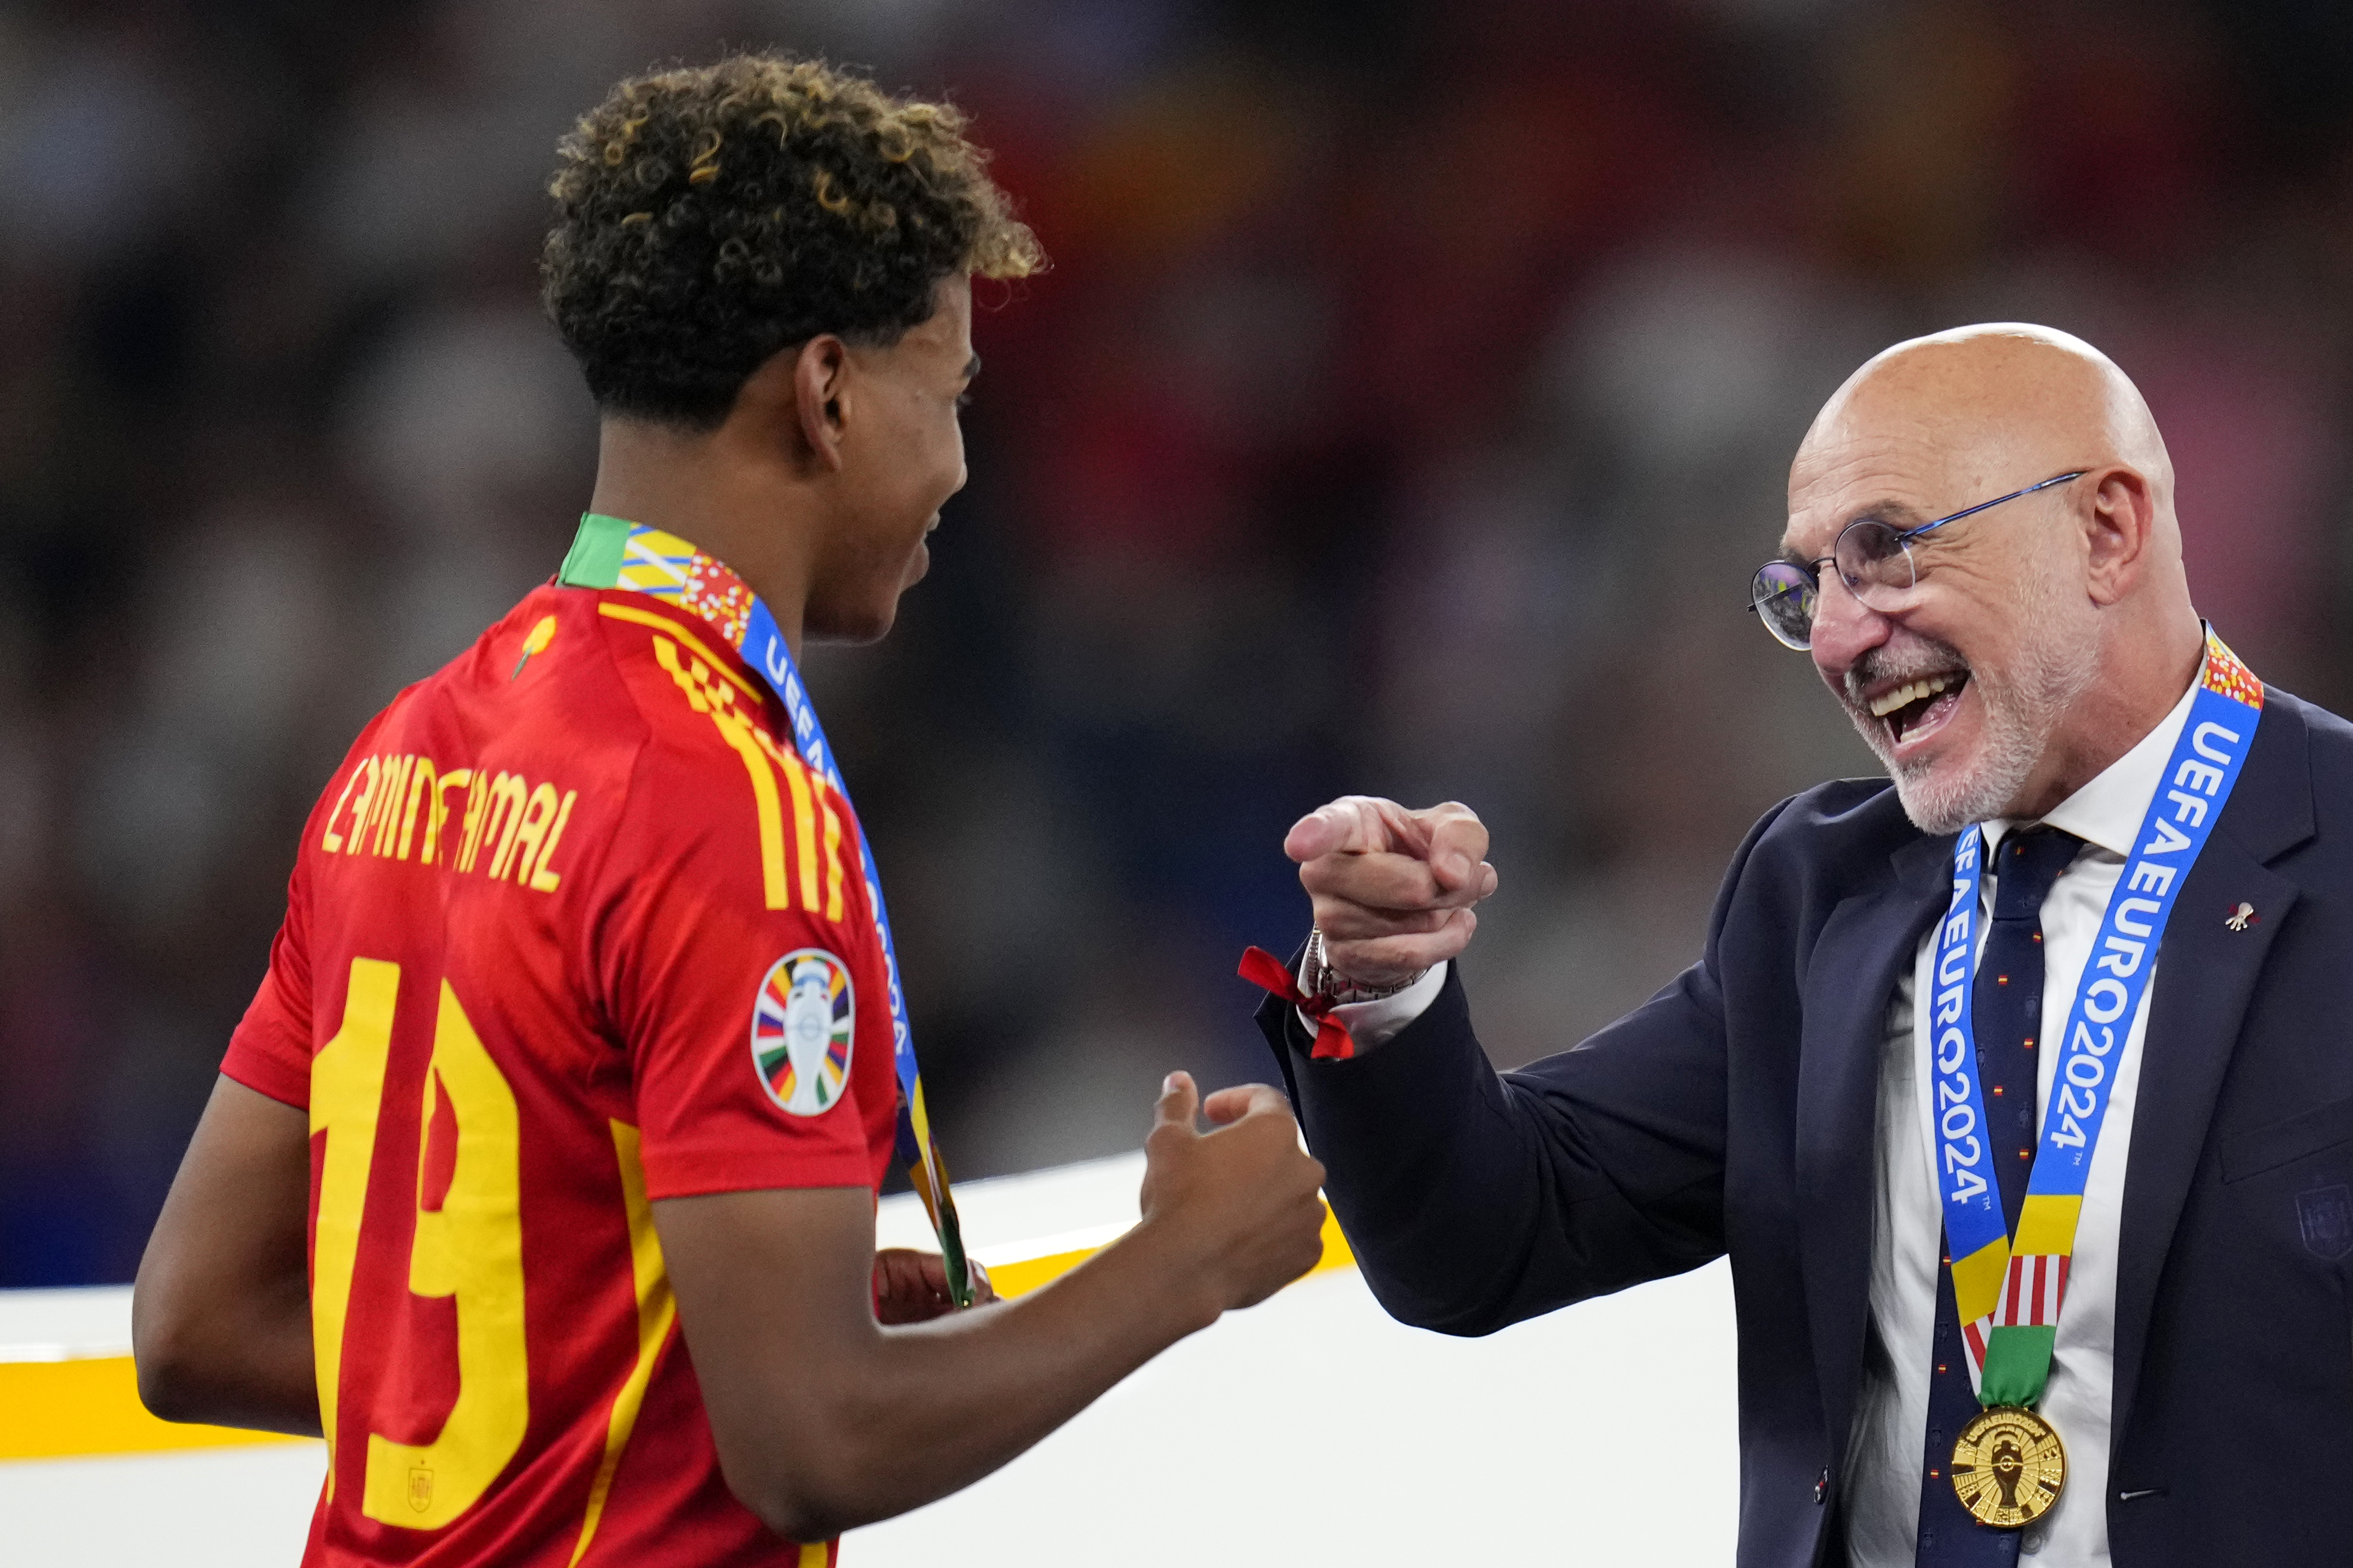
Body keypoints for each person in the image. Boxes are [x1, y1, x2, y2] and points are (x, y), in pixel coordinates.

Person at [133, 53, 1328, 1567]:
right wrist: (1185, 1264)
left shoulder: (410, 748)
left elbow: (190, 1322)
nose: (960, 468)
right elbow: (811, 1441)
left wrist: (689, 1353)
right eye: (949, 393)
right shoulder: (731, 810)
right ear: (828, 391)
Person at [1253, 323, 2353, 1566]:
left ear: (2104, 531)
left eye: (1884, 554)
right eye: (1806, 585)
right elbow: (1479, 1242)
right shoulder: (1819, 891)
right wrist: (1380, 985)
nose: (1833, 639)